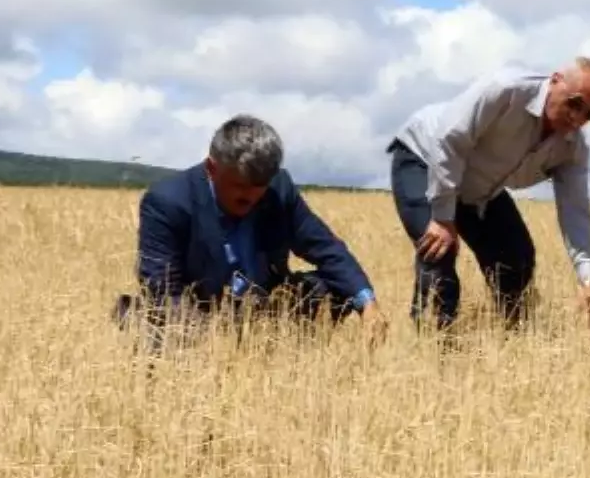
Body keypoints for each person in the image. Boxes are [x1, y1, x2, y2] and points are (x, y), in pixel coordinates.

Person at [116, 114, 388, 349]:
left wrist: (367, 303)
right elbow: (162, 291)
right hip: (198, 313)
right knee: (151, 323)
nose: (252, 195)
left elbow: (326, 249)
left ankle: (291, 362)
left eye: (260, 185)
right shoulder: (167, 201)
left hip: (263, 308)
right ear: (212, 168)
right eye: (241, 184)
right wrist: (215, 337)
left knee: (335, 287)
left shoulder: (278, 189)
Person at [386, 57, 590, 333]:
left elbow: (575, 210)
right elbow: (451, 141)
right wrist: (443, 219)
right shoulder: (504, 89)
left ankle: (512, 341)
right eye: (575, 103)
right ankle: (434, 350)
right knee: (439, 253)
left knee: (517, 258)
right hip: (426, 159)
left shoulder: (572, 148)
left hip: (479, 187)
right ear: (554, 81)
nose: (578, 118)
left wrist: (586, 279)